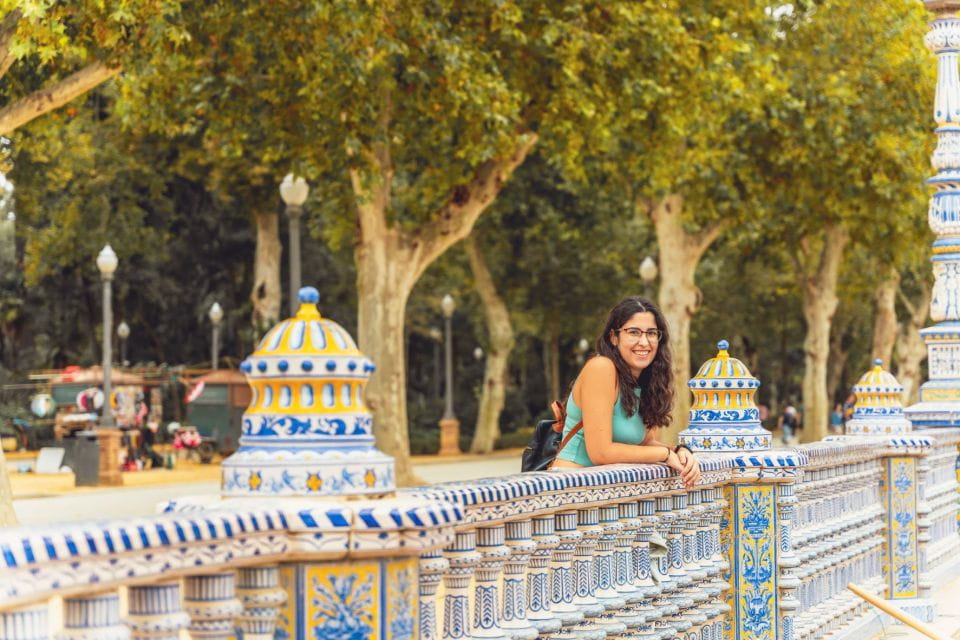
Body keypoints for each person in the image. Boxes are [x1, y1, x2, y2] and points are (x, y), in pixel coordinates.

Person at [551, 296, 701, 488]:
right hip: (573, 487)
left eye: (651, 333)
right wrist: (665, 455)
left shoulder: (647, 382)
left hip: (612, 494)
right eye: (634, 332)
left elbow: (644, 444)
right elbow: (601, 452)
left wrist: (680, 451)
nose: (644, 342)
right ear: (614, 337)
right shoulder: (601, 368)